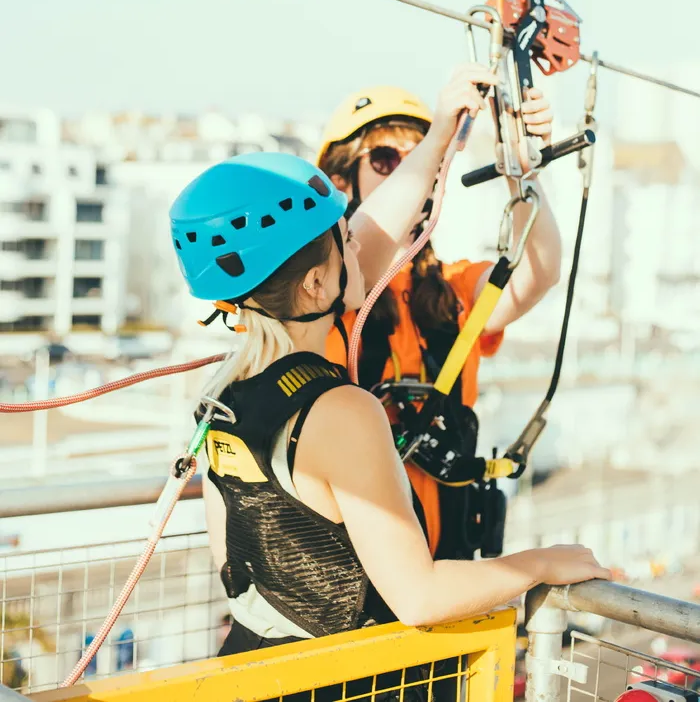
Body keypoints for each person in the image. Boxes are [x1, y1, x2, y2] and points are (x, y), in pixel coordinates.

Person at [170, 80, 609, 674]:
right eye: (344, 236)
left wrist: (513, 163)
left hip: (260, 663)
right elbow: (418, 596)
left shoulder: (225, 393)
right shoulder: (340, 398)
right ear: (316, 282)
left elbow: (239, 564)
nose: (359, 239)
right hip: (361, 664)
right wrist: (542, 564)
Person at [316, 67, 562, 557]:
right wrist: (436, 144)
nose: (415, 175)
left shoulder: (453, 291)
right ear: (342, 178)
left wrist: (520, 166)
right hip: (352, 570)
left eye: (423, 162)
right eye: (387, 161)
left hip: (445, 561)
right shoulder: (322, 290)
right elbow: (362, 252)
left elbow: (539, 272)